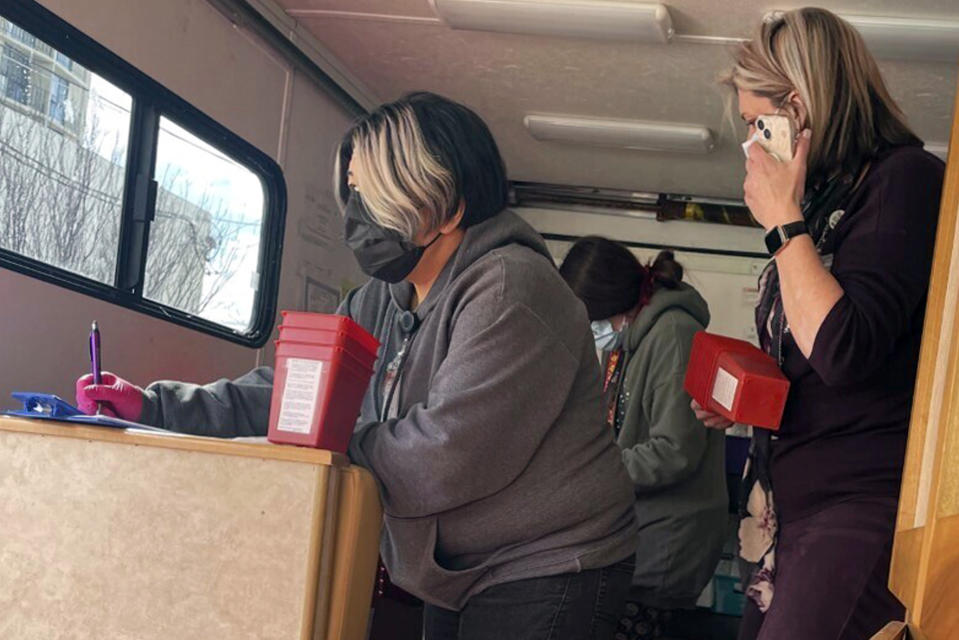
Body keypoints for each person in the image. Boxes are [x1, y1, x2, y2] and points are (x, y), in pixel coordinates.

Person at [77, 91, 639, 640]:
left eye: (372, 195)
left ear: (444, 207)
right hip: (461, 568)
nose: (356, 216)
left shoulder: (511, 291)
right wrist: (155, 407)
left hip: (550, 560)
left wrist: (329, 438)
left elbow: (445, 457)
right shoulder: (379, 298)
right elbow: (296, 392)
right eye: (353, 193)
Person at [692, 8, 945, 640]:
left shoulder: (903, 180)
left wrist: (783, 226)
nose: (751, 144)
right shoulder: (824, 199)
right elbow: (814, 359)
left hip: (859, 507)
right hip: (792, 509)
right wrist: (751, 398)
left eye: (758, 124)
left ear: (802, 106)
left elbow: (845, 351)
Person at [560, 239, 726, 640]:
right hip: (636, 539)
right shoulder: (629, 342)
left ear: (608, 305)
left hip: (664, 548)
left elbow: (675, 451)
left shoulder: (673, 335)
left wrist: (589, 472)